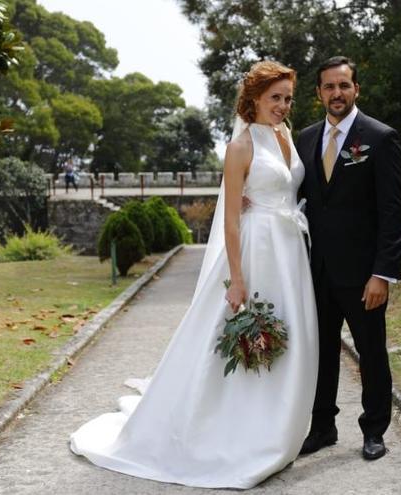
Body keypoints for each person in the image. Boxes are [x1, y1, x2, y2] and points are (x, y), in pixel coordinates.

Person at [69, 61, 318, 489]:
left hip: (290, 251)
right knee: (245, 335)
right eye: (275, 97)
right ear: (254, 98)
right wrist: (237, 278)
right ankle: (237, 433)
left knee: (291, 336)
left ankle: (279, 430)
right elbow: (232, 222)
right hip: (257, 249)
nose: (282, 105)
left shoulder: (285, 136)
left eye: (288, 98)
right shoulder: (241, 146)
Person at [296, 56, 401, 461]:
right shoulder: (305, 139)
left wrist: (383, 273)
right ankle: (322, 426)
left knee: (371, 352)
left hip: (363, 275)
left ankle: (374, 430)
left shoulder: (379, 137)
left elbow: (393, 213)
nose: (336, 93)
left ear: (356, 89)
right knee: (320, 353)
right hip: (314, 271)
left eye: (344, 85)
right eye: (329, 87)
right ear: (319, 93)